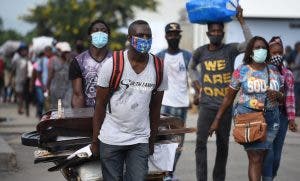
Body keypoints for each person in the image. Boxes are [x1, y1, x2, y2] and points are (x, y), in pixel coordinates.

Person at [90, 20, 168, 180]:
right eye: (140, 35)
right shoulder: (112, 65)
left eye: (148, 36)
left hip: (139, 139)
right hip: (111, 138)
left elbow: (155, 109)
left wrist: (151, 141)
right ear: (129, 38)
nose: (145, 40)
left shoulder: (159, 67)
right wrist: (95, 141)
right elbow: (99, 105)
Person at [188, 5, 252, 181]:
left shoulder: (230, 50)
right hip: (206, 106)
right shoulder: (200, 52)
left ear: (223, 33)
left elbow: (250, 44)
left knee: (222, 146)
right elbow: (191, 67)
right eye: (213, 31)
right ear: (208, 33)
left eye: (219, 31)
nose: (216, 33)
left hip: (225, 107)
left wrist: (241, 21)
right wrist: (197, 87)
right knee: (200, 144)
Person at [209, 36, 284, 181]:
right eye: (257, 48)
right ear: (250, 51)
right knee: (255, 158)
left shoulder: (274, 71)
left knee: (261, 157)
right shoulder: (242, 70)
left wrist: (278, 95)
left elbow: (282, 96)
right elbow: (228, 97)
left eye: (263, 47)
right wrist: (216, 120)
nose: (261, 50)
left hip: (271, 119)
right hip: (249, 117)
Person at [156, 22, 192, 180]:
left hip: (181, 106)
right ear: (166, 36)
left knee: (177, 143)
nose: (173, 37)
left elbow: (194, 76)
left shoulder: (187, 56)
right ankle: (162, 173)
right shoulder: (159, 56)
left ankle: (170, 173)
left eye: (176, 34)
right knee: (162, 142)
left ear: (179, 36)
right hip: (163, 104)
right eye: (170, 34)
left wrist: (197, 92)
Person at [262, 36, 298, 180]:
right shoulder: (262, 71)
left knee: (276, 156)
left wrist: (291, 119)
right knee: (268, 154)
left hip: (281, 117)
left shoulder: (287, 73)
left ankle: (270, 175)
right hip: (265, 116)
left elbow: (290, 98)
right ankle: (267, 177)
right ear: (268, 53)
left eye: (279, 52)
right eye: (273, 52)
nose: (276, 55)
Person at [69, 19, 112, 108]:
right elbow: (77, 95)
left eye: (104, 31)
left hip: (112, 115)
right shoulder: (78, 61)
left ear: (108, 36)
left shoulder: (117, 60)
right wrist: (79, 118)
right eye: (96, 31)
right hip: (88, 114)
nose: (100, 33)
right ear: (89, 36)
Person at [47, 42, 72, 109]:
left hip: (67, 90)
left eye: (68, 52)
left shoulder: (70, 61)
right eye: (65, 52)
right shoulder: (53, 60)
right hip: (55, 89)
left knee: (67, 109)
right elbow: (50, 76)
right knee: (56, 110)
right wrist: (47, 88)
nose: (67, 53)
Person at [10, 44, 32, 115]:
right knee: (20, 95)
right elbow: (13, 70)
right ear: (20, 51)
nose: (24, 51)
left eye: (25, 50)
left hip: (27, 80)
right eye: (23, 50)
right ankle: (20, 108)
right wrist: (11, 79)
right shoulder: (16, 59)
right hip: (19, 79)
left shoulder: (27, 58)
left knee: (26, 95)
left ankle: (25, 108)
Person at [290, 43, 300, 115]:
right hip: (296, 79)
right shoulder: (297, 54)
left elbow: (298, 65)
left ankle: (298, 111)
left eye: (296, 47)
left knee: (296, 96)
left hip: (298, 80)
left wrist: (292, 67)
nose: (296, 48)